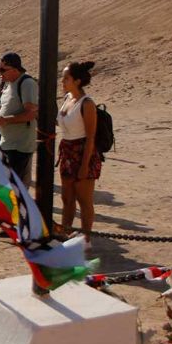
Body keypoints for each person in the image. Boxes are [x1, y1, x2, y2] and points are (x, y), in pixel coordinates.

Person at [57, 61, 101, 248]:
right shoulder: (67, 98)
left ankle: (86, 238)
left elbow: (90, 137)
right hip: (66, 151)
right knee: (67, 197)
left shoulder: (87, 104)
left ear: (77, 80)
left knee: (84, 199)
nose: (62, 81)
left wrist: (84, 165)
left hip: (82, 152)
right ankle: (66, 233)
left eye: (66, 78)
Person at [0, 52, 38, 184]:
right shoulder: (8, 83)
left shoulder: (26, 83)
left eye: (3, 70)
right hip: (7, 144)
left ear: (15, 69)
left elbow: (31, 113)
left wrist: (5, 120)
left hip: (19, 147)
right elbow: (13, 104)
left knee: (16, 189)